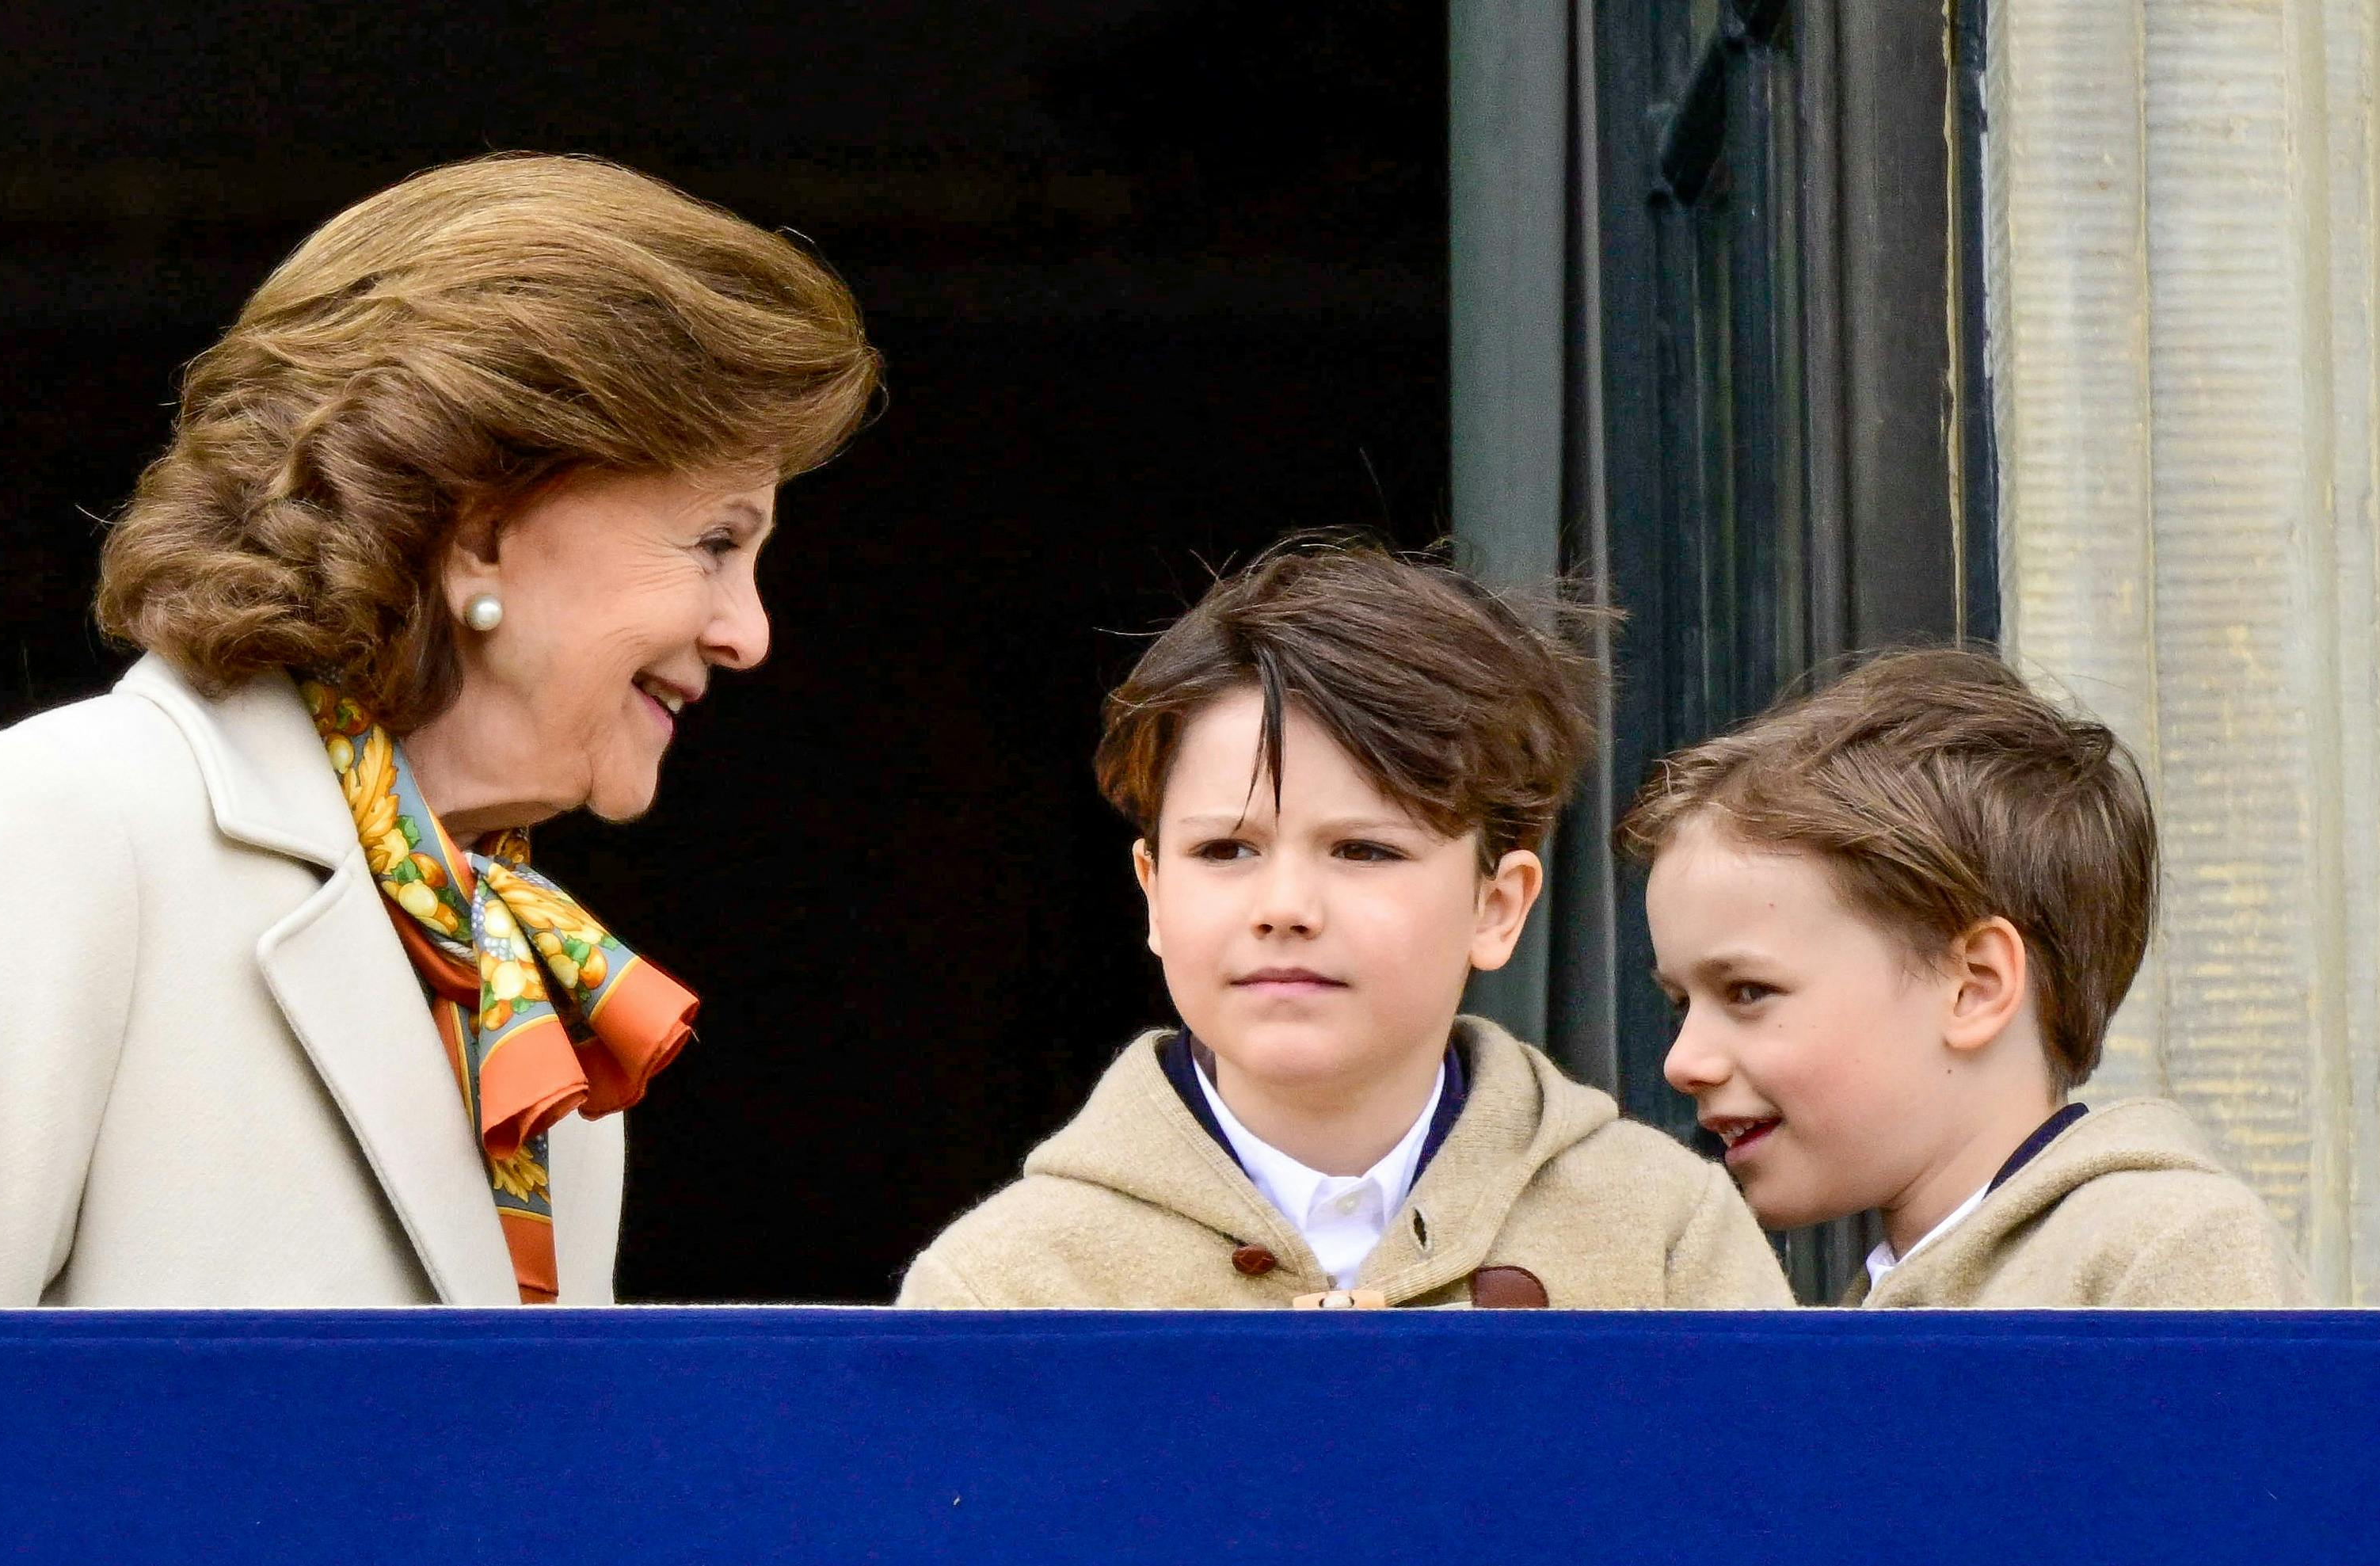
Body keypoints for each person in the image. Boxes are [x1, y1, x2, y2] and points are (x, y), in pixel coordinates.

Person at [0, 155, 880, 1308]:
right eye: (716, 543)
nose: (749, 633)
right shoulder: (76, 824)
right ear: (483, 528)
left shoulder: (529, 992)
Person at [898, 538, 1792, 1309]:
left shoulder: (1665, 1230)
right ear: (1152, 894)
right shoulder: (1004, 1284)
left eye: (1363, 851)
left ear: (1498, 905)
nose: (1285, 909)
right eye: (1225, 851)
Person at [1627, 647, 2309, 1307]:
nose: (1683, 1062)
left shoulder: (2168, 1249)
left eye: (1747, 992)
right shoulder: (1883, 1297)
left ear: (1974, 987)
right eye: (1679, 1003)